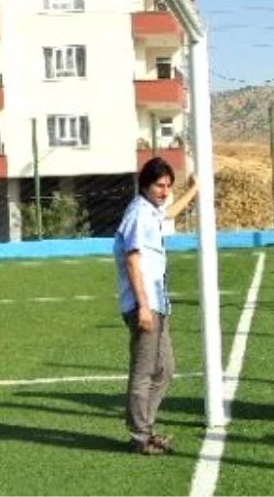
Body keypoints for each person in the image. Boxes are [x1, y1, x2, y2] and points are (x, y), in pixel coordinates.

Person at [113, 158, 198, 456]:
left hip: (157, 302)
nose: (164, 192)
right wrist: (144, 307)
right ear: (145, 185)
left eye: (167, 186)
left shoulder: (151, 211)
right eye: (159, 186)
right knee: (144, 371)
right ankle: (139, 436)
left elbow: (169, 213)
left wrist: (195, 190)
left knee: (165, 369)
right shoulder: (138, 214)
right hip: (144, 304)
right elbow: (133, 260)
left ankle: (144, 428)